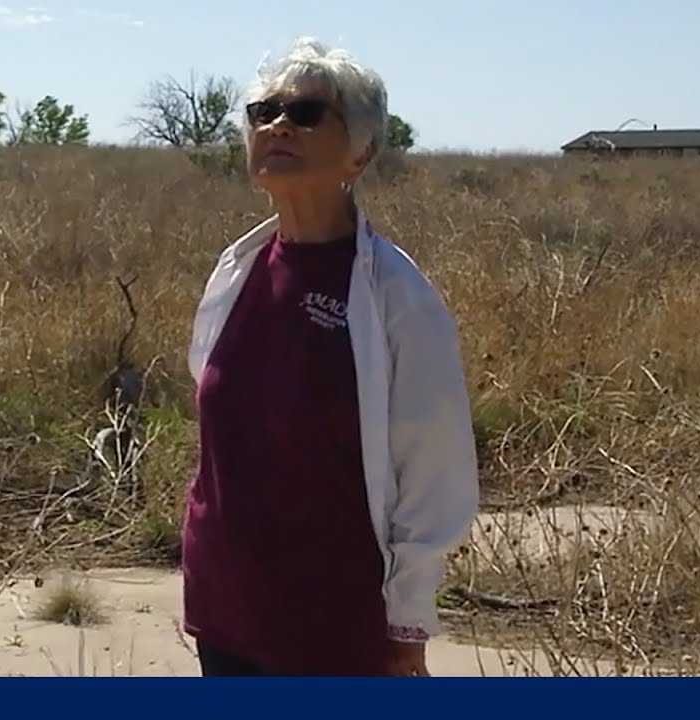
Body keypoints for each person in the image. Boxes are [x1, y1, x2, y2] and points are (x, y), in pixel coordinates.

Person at [180, 37, 480, 677]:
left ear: (361, 151)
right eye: (263, 113)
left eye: (308, 113)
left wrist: (408, 624)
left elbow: (435, 476)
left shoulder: (397, 299)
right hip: (227, 610)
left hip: (331, 624)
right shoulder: (235, 275)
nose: (278, 125)